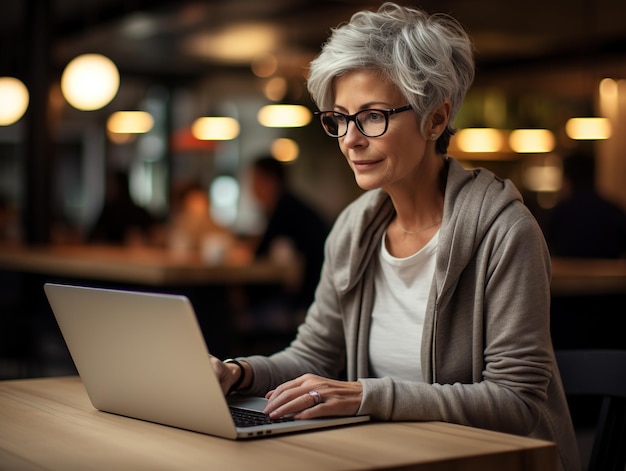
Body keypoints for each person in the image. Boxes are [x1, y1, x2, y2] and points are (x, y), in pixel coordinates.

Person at [209, 4, 579, 470]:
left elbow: (517, 403)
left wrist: (367, 395)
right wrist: (236, 372)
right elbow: (313, 354)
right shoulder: (353, 229)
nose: (350, 139)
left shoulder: (505, 232)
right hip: (392, 459)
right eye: (340, 118)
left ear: (436, 119)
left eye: (372, 117)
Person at [544, 150, 626, 259]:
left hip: (565, 275)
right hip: (609, 275)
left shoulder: (559, 213)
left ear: (566, 177)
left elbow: (546, 247)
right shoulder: (614, 211)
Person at [88, 170, 158, 246]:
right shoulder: (136, 210)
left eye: (111, 185)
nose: (108, 188)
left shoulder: (109, 211)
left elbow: (92, 236)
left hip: (117, 255)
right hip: (118, 255)